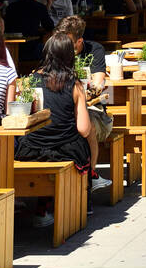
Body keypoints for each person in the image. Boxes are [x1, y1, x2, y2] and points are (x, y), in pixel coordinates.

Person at [16, 32, 93, 227]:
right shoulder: (74, 85)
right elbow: (83, 129)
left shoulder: (30, 81)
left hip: (31, 149)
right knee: (85, 142)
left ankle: (43, 206)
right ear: (70, 56)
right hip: (65, 148)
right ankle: (84, 203)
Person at [59, 15, 112, 187]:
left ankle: (91, 175)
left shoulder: (94, 49)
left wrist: (84, 91)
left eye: (67, 42)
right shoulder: (57, 50)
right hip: (66, 108)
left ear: (79, 41)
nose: (63, 46)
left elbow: (98, 83)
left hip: (95, 111)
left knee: (86, 126)